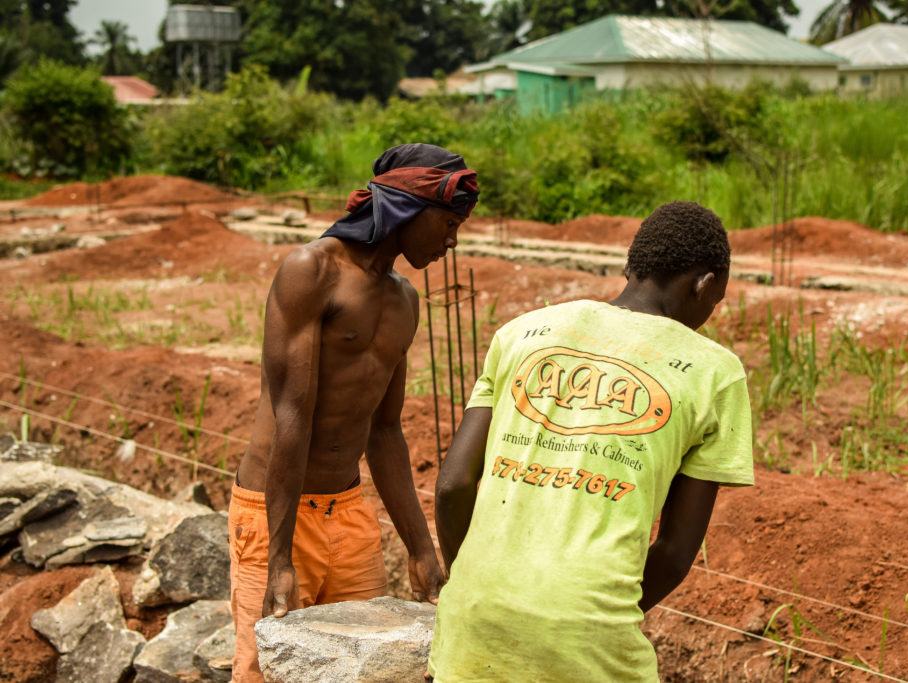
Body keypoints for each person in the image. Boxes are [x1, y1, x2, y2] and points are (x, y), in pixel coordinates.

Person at [429, 201, 754, 682]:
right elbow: (674, 552)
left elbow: (454, 484)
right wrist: (585, 614)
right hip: (591, 642)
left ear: (631, 268)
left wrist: (469, 583)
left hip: (472, 625)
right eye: (717, 299)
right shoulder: (715, 373)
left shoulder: (521, 333)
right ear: (706, 285)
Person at [230, 143, 477, 682]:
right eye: (448, 223)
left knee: (370, 671)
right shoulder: (310, 272)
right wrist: (279, 558)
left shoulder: (404, 300)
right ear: (407, 209)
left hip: (348, 513)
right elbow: (292, 414)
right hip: (275, 513)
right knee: (262, 672)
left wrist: (420, 548)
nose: (452, 241)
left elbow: (386, 432)